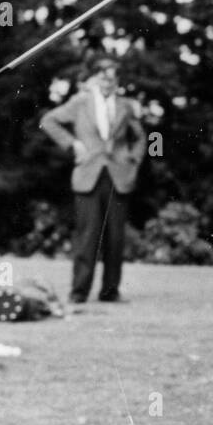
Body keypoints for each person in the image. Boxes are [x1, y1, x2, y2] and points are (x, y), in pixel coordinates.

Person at [40, 53, 144, 304]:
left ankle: (110, 291)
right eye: (103, 77)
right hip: (88, 174)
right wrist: (73, 144)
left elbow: (141, 137)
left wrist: (133, 160)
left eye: (112, 77)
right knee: (87, 236)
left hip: (118, 176)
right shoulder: (80, 102)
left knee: (116, 238)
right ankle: (79, 292)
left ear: (117, 80)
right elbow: (48, 120)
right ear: (95, 78)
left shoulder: (125, 106)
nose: (108, 82)